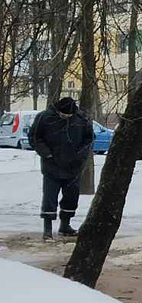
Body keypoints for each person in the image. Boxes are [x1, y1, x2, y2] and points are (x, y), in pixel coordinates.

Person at [29, 97, 94, 241]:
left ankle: (65, 225)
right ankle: (47, 230)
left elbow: (89, 139)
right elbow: (34, 137)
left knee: (71, 198)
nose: (66, 118)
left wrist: (80, 156)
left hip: (73, 167)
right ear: (58, 110)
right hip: (51, 166)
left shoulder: (81, 119)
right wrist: (47, 154)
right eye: (63, 115)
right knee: (49, 198)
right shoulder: (45, 118)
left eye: (69, 116)